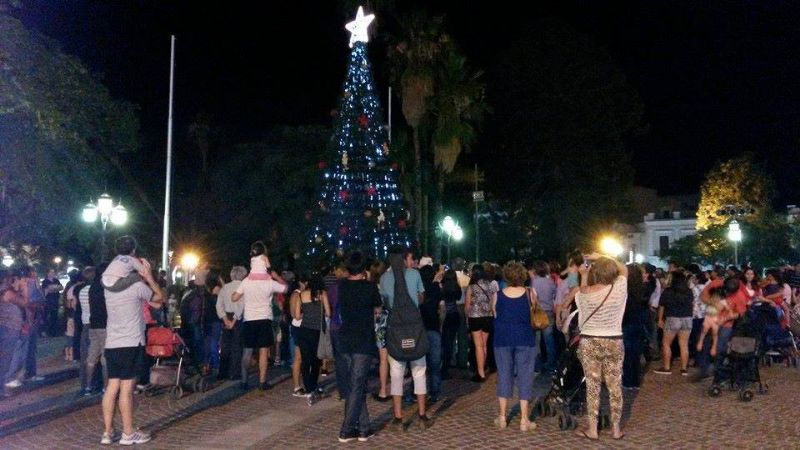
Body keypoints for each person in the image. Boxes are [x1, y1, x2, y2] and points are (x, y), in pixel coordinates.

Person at [101, 236, 164, 445]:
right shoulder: (136, 286)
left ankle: (108, 432)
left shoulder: (108, 287)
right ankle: (128, 433)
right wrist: (149, 278)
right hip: (131, 341)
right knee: (127, 388)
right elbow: (158, 300)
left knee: (112, 386)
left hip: (112, 342)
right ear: (134, 252)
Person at [574, 254, 627, 441]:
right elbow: (624, 269)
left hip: (590, 340)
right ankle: (615, 428)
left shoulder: (584, 294)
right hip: (613, 339)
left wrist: (584, 274)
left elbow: (582, 291)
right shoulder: (618, 288)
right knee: (615, 385)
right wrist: (603, 255)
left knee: (592, 386)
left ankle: (593, 429)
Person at [380, 247, 431, 430]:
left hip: (396, 328)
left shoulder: (384, 279)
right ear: (403, 260)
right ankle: (422, 415)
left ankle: (398, 417)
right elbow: (421, 298)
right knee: (419, 372)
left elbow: (385, 303)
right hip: (414, 327)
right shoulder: (414, 274)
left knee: (396, 374)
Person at [337, 251, 382, 442]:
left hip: (345, 340)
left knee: (356, 384)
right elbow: (378, 310)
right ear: (364, 269)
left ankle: (364, 427)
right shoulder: (370, 287)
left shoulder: (342, 286)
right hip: (362, 340)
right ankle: (347, 429)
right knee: (357, 385)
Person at [232, 248, 288, 391]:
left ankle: (244, 381)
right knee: (264, 351)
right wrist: (275, 275)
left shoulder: (246, 282)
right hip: (264, 319)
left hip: (249, 319)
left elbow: (234, 298)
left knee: (247, 351)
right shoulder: (269, 282)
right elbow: (285, 288)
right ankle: (262, 382)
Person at [492, 261, 538, 432]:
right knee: (525, 375)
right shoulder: (529, 293)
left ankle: (502, 416)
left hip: (503, 338)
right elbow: (534, 311)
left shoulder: (498, 294)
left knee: (504, 374)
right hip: (525, 337)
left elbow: (495, 313)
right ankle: (524, 419)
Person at [291, 272, 330, 403]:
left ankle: (308, 390)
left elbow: (297, 316)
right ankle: (313, 387)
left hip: (304, 330)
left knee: (305, 361)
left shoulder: (301, 295)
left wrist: (306, 314)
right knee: (316, 360)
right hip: (317, 331)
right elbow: (328, 313)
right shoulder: (322, 294)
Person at [654, 271, 694, 376]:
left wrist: (660, 319)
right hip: (687, 318)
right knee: (684, 344)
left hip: (672, 318)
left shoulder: (668, 291)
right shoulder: (689, 291)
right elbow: (692, 304)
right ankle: (684, 369)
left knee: (666, 343)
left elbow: (662, 305)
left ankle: (667, 368)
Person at [465, 264, 497, 382]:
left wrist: (466, 316)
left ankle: (480, 373)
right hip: (488, 317)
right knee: (484, 345)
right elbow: (493, 302)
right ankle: (483, 367)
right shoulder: (490, 286)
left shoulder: (471, 287)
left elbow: (468, 306)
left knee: (478, 345)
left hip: (475, 317)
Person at [216, 266, 246, 380]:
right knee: (237, 346)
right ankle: (234, 373)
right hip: (237, 318)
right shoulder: (243, 287)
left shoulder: (225, 288)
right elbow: (241, 305)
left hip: (226, 316)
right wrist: (234, 320)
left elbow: (219, 305)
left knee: (225, 346)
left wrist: (225, 319)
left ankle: (222, 372)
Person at [0, 270, 27, 398]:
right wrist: (24, 287)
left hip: (4, 326)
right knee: (5, 359)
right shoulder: (8, 292)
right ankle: (1, 388)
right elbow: (25, 302)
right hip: (9, 329)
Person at [529, 261, 559, 373]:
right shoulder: (551, 282)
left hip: (537, 312)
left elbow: (533, 298)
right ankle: (551, 364)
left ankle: (537, 365)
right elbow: (554, 296)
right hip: (549, 312)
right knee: (549, 340)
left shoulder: (534, 282)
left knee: (536, 340)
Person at [419, 264, 443, 402]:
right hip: (433, 326)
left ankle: (419, 390)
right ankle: (435, 391)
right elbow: (440, 305)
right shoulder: (435, 288)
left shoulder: (418, 288)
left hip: (420, 327)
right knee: (435, 363)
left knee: (419, 364)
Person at [86, 263, 110, 394]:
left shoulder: (92, 287)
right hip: (104, 325)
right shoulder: (104, 287)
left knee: (91, 357)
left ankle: (88, 386)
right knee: (105, 358)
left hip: (93, 325)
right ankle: (105, 387)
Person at [622, 264, 647, 389]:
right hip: (638, 321)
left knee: (626, 353)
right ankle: (635, 381)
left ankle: (627, 381)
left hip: (626, 321)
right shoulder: (642, 287)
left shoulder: (624, 288)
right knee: (635, 352)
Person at [369, 259, 390, 402]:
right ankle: (384, 389)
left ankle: (381, 389)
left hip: (372, 325)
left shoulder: (369, 288)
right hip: (386, 324)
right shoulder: (387, 287)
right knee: (386, 359)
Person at [76, 266, 96, 395]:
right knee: (94, 356)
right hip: (94, 325)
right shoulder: (95, 291)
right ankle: (92, 383)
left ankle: (84, 384)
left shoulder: (81, 291)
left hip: (85, 324)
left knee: (85, 356)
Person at [439, 269, 461, 380]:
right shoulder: (456, 287)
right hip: (453, 315)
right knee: (449, 343)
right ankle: (445, 368)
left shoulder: (442, 287)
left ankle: (439, 365)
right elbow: (458, 297)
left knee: (442, 342)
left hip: (443, 316)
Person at [41, 268, 63, 337]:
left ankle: (53, 332)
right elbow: (47, 290)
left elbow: (61, 287)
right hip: (48, 302)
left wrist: (53, 288)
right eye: (51, 272)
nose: (53, 273)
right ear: (48, 273)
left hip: (55, 301)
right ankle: (45, 331)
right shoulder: (45, 281)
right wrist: (55, 288)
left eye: (53, 272)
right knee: (46, 316)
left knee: (54, 317)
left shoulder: (56, 280)